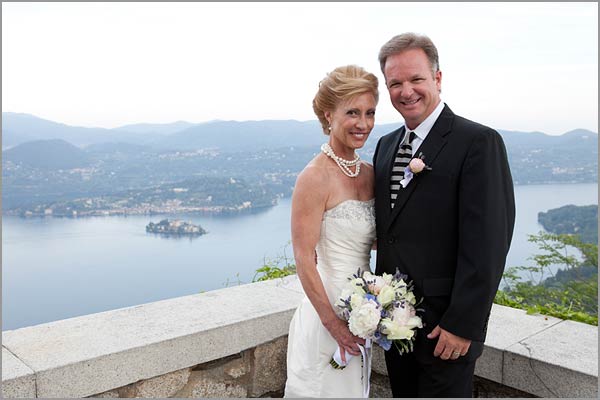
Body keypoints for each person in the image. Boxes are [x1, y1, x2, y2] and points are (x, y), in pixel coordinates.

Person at [372, 33, 516, 397]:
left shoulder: (477, 142)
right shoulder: (386, 147)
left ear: (437, 78)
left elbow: (488, 244)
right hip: (396, 327)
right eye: (395, 83)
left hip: (445, 332)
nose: (406, 91)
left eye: (416, 79)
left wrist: (462, 325)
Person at [284, 65, 379, 398]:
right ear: (329, 115)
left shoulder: (370, 173)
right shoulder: (314, 177)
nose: (363, 123)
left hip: (362, 313)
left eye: (369, 113)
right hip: (326, 317)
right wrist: (334, 325)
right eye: (352, 112)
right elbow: (303, 259)